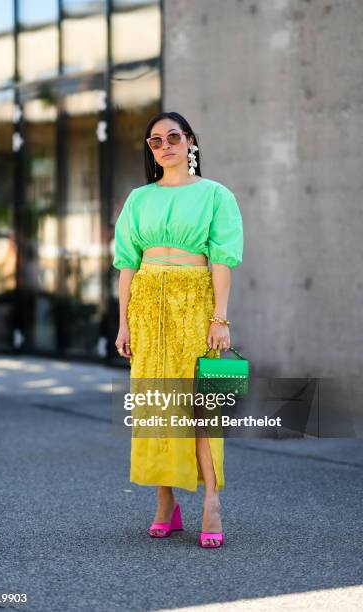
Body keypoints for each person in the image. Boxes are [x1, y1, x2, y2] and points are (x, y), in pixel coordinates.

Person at [112, 111, 243, 548]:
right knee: (156, 404)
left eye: (173, 137)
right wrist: (123, 322)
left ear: (189, 141)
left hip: (195, 302)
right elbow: (127, 264)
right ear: (151, 151)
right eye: (155, 141)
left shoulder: (216, 195)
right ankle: (166, 502)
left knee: (201, 406)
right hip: (148, 305)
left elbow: (222, 259)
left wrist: (220, 318)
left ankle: (210, 500)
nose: (165, 145)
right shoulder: (138, 198)